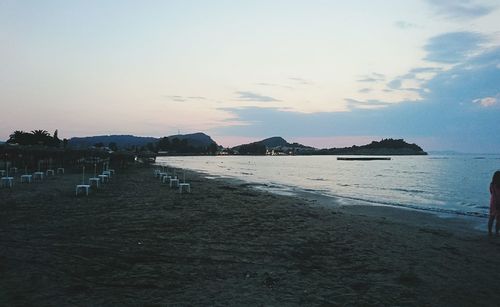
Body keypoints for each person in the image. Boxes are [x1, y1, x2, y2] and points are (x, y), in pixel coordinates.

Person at [488, 171, 500, 236]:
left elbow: (491, 192)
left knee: (491, 217)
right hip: (498, 203)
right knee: (498, 219)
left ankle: (490, 232)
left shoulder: (492, 184)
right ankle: (497, 232)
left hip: (493, 203)